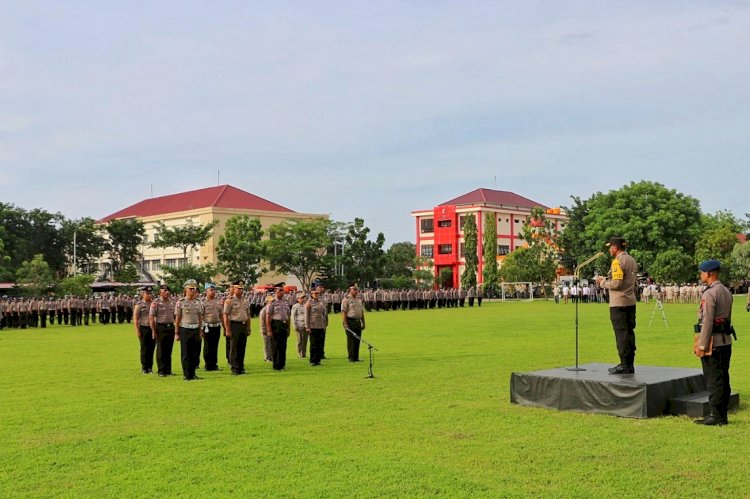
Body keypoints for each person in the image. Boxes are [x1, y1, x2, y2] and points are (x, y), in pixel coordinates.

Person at [693, 259, 734, 425]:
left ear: (709, 273)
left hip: (713, 343)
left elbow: (708, 321)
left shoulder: (710, 293)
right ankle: (722, 414)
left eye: (702, 272)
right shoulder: (725, 291)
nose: (701, 275)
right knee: (723, 378)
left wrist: (702, 345)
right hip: (725, 341)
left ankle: (715, 415)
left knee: (713, 380)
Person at [595, 236, 638, 375]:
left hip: (619, 302)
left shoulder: (617, 261)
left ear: (615, 247)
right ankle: (629, 364)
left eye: (610, 247)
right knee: (629, 333)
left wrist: (602, 282)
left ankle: (624, 364)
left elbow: (617, 283)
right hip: (630, 301)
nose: (609, 249)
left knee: (621, 334)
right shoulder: (631, 260)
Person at [175, 279, 204, 381]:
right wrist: (176, 332)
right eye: (190, 289)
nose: (193, 291)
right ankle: (187, 375)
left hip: (195, 329)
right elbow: (178, 319)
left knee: (194, 353)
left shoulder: (198, 302)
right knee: (186, 353)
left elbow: (200, 317)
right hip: (185, 329)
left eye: (194, 289)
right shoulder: (181, 302)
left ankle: (193, 374)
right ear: (185, 290)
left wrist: (201, 330)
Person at [223, 280, 251, 375]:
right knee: (234, 347)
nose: (240, 290)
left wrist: (248, 327)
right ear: (234, 289)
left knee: (242, 347)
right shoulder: (229, 300)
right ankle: (235, 368)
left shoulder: (245, 300)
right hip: (234, 325)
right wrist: (227, 329)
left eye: (242, 289)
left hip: (243, 325)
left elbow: (248, 315)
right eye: (238, 289)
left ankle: (241, 367)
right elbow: (225, 315)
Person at [150, 284, 176, 377]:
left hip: (170, 327)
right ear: (160, 292)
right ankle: (161, 370)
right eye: (164, 291)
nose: (167, 292)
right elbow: (151, 317)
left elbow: (175, 316)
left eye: (168, 291)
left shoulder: (172, 302)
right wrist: (153, 330)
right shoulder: (156, 303)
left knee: (169, 349)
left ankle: (168, 370)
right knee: (161, 349)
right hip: (161, 327)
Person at [266, 286, 291, 371]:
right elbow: (268, 316)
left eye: (282, 290)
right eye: (280, 290)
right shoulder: (272, 302)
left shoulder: (285, 302)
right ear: (275, 291)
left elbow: (288, 316)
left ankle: (282, 364)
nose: (282, 292)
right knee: (276, 345)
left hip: (284, 325)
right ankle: (276, 365)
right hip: (276, 324)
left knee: (283, 345)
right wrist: (269, 329)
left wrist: (289, 328)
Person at [133, 286, 156, 374]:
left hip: (153, 328)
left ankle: (150, 367)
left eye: (150, 293)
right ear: (143, 294)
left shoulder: (154, 304)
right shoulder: (139, 305)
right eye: (147, 293)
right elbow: (136, 318)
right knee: (144, 349)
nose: (149, 295)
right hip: (144, 328)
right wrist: (137, 330)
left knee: (152, 348)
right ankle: (144, 367)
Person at [201, 283, 223, 371]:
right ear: (206, 291)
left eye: (214, 290)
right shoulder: (203, 302)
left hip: (217, 326)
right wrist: (201, 328)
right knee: (207, 346)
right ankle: (208, 364)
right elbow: (201, 316)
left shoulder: (218, 301)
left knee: (215, 346)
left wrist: (224, 326)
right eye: (211, 290)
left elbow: (221, 314)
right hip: (207, 327)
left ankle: (214, 364)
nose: (213, 292)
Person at [341, 283, 366, 362]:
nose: (356, 291)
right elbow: (344, 312)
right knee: (351, 340)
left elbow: (361, 312)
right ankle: (351, 357)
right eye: (354, 289)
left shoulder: (358, 300)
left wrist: (363, 323)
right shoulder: (346, 300)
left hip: (358, 321)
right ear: (349, 290)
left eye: (357, 289)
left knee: (357, 339)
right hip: (350, 321)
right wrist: (345, 323)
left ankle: (356, 357)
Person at [305, 288, 328, 366]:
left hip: (321, 325)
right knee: (314, 344)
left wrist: (325, 325)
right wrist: (307, 326)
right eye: (314, 293)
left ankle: (318, 360)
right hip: (313, 325)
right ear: (311, 294)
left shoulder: (321, 302)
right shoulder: (309, 303)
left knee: (320, 343)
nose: (316, 295)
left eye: (317, 293)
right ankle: (313, 360)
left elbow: (324, 314)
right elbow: (306, 316)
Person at [291, 292, 308, 358]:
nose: (303, 299)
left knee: (305, 340)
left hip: (306, 325)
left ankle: (304, 353)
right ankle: (300, 352)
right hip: (299, 324)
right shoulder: (295, 306)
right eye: (301, 298)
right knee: (300, 340)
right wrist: (295, 326)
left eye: (303, 298)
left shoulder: (306, 305)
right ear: (297, 299)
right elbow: (293, 317)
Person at [259, 295, 274, 362]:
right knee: (267, 344)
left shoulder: (271, 309)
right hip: (265, 330)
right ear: (267, 302)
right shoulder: (264, 310)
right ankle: (267, 357)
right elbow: (262, 322)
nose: (272, 303)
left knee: (271, 344)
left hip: (271, 329)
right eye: (271, 301)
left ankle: (271, 356)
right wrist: (264, 330)